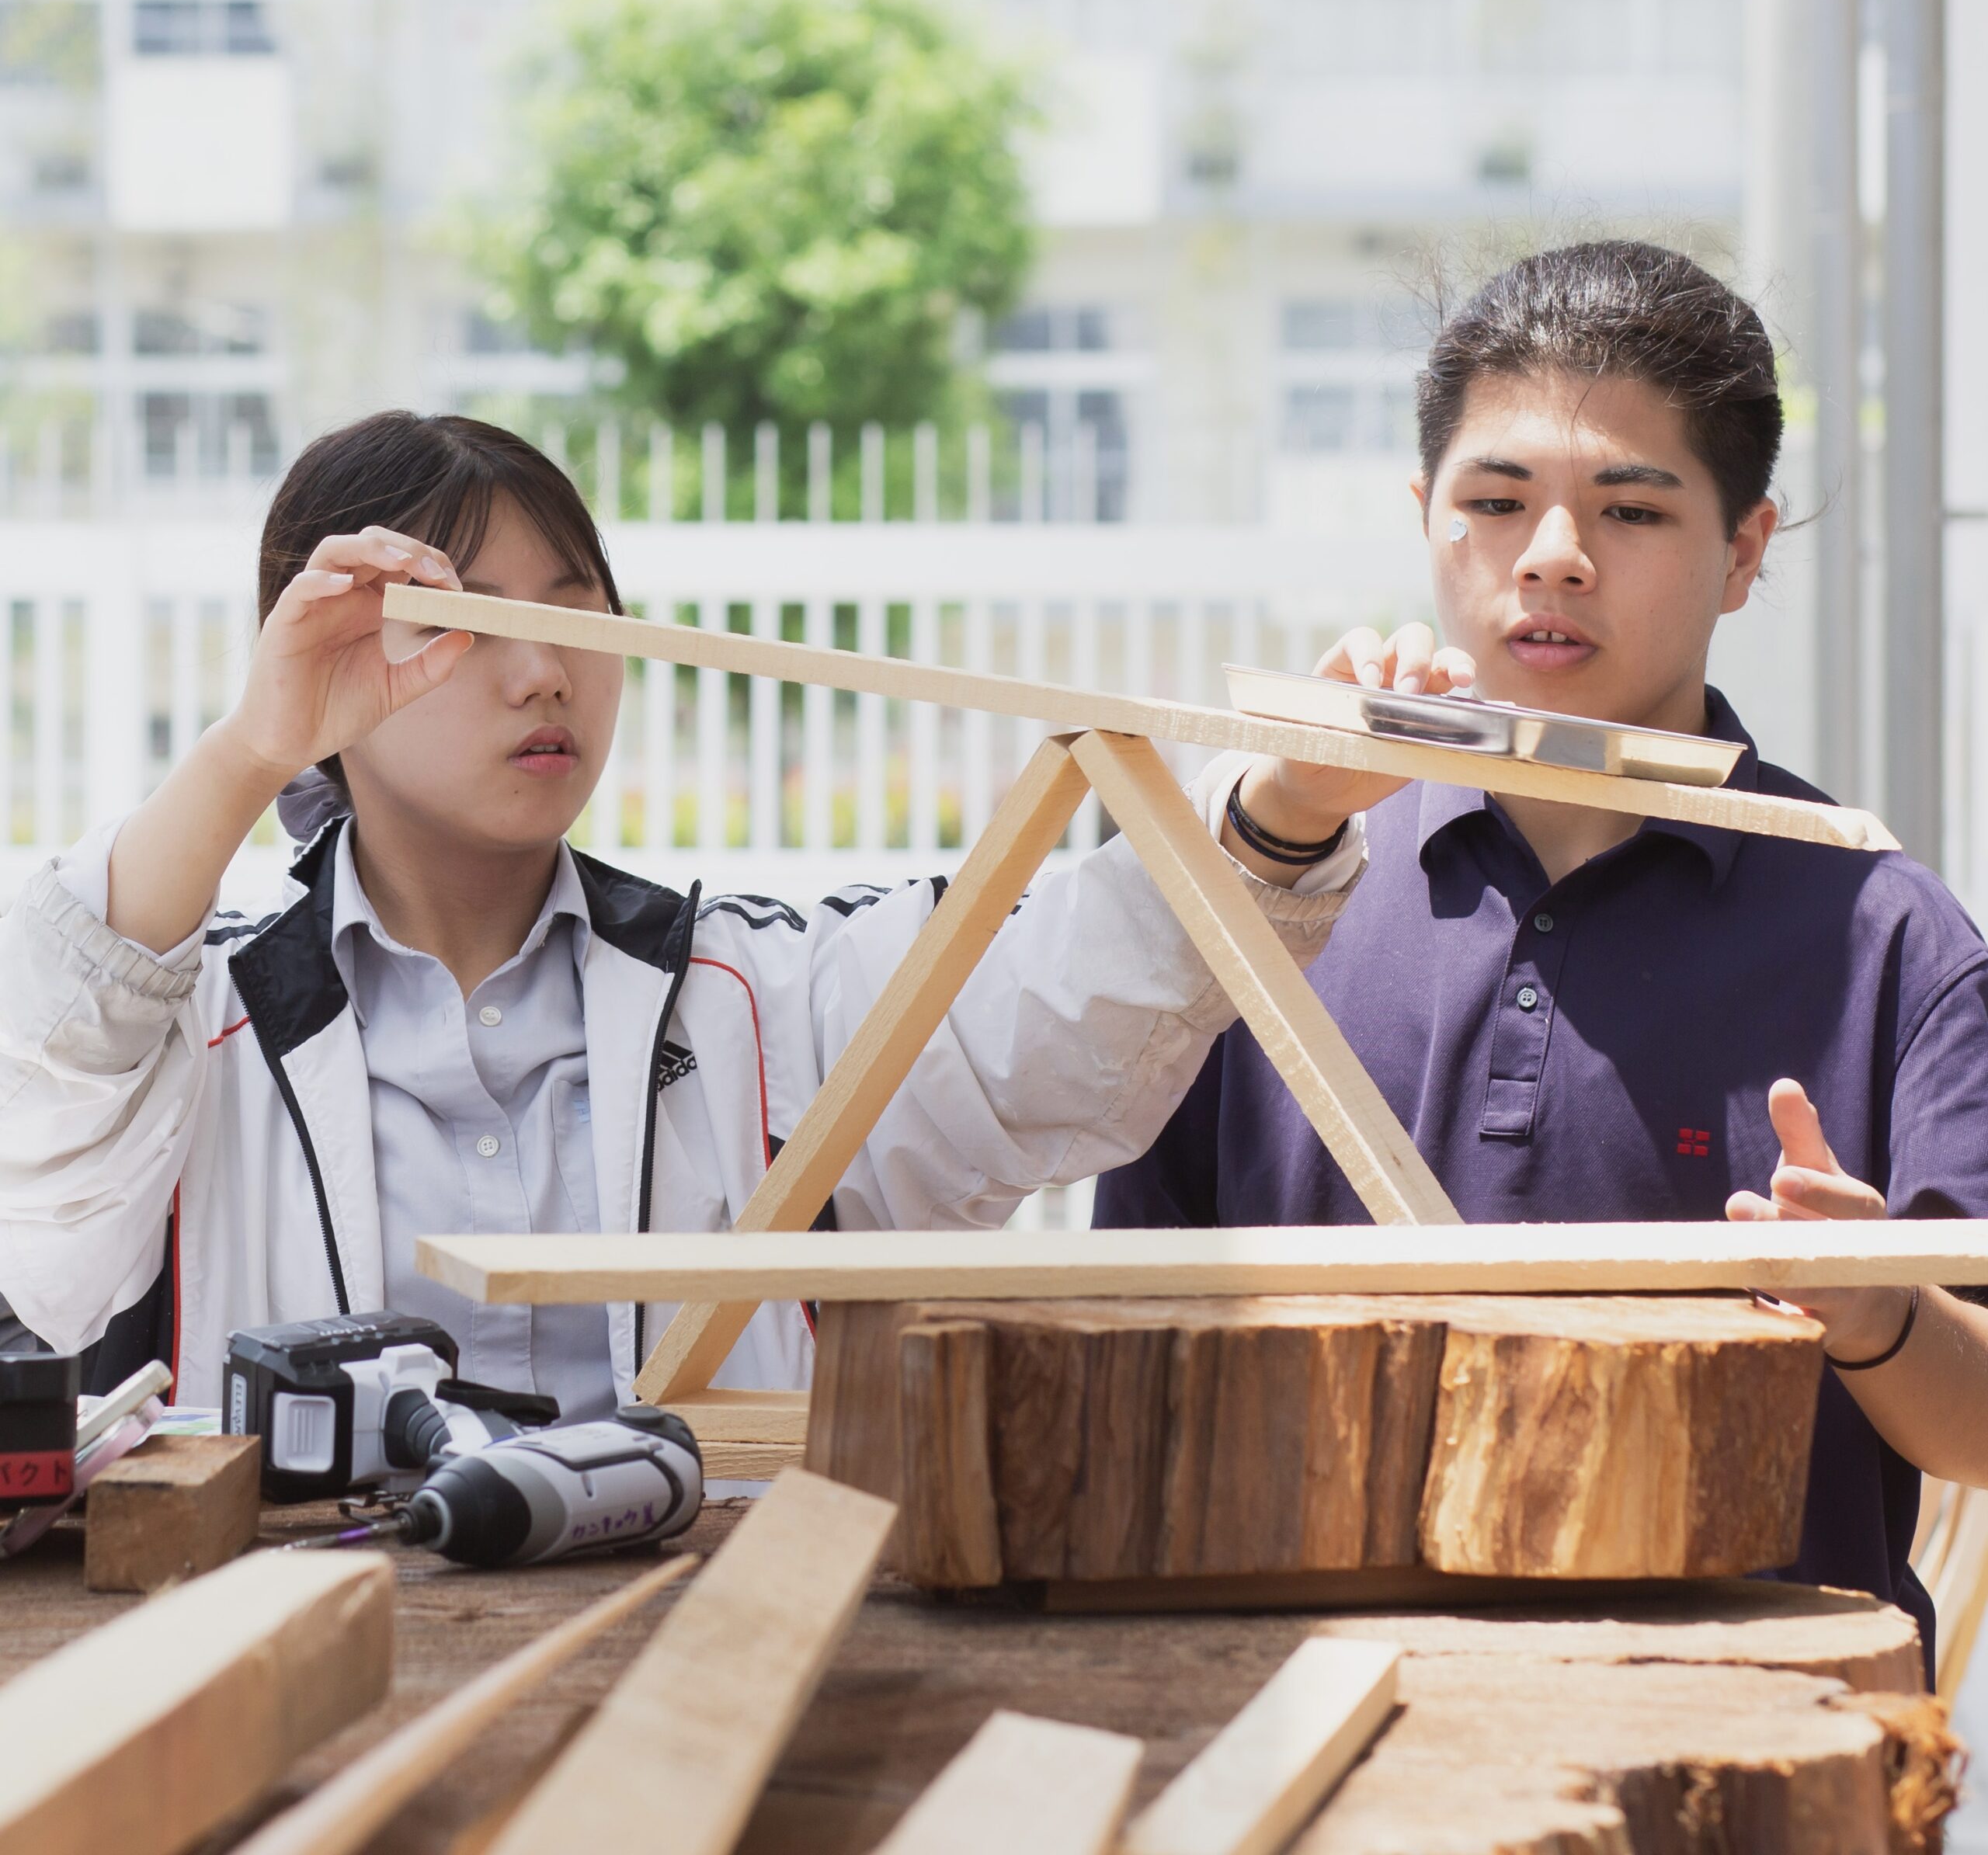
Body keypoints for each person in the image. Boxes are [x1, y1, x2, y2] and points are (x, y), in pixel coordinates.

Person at [0, 411, 1378, 1414]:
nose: (544, 673)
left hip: (699, 1647)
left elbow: (1051, 1005)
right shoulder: (196, 1021)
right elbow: (51, 1052)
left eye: (577, 614)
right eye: (465, 624)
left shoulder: (755, 989)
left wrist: (1283, 809)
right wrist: (252, 749)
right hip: (301, 1660)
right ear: (314, 661)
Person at [1097, 241, 1988, 1653]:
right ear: (1427, 516)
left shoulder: (1887, 933)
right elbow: (1127, 1337)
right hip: (1311, 1699)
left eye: (1631, 509)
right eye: (1496, 501)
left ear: (1745, 549)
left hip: (1739, 1720)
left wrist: (1874, 1308)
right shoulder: (1271, 884)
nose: (1553, 554)